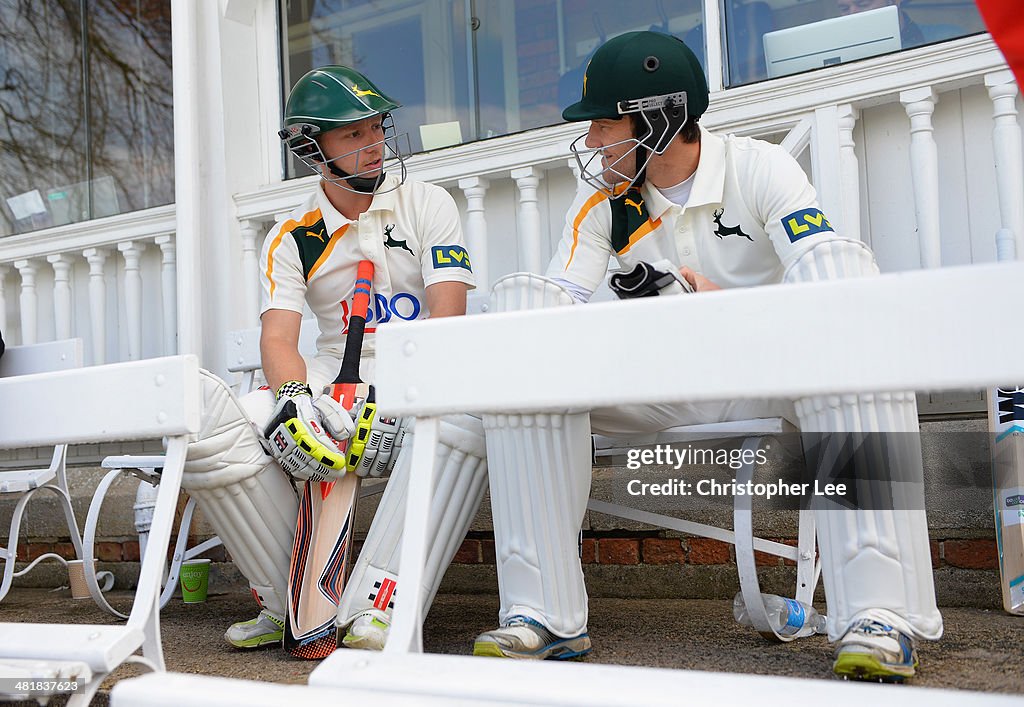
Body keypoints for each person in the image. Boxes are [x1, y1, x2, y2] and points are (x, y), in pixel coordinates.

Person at [472, 31, 942, 682]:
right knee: (530, 326)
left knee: (843, 277)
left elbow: (824, 275)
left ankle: (880, 615)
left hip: (766, 378)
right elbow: (560, 306)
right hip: (662, 383)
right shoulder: (604, 203)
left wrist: (721, 300)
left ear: (658, 119)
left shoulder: (759, 168)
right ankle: (543, 614)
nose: (592, 143)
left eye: (605, 125)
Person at [180, 65, 488, 652]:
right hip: (330, 372)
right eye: (352, 135)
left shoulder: (428, 203)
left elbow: (448, 315)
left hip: (417, 362)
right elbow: (278, 339)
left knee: (465, 420)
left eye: (376, 127)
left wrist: (401, 396)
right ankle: (287, 598)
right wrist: (294, 404)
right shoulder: (291, 235)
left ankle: (379, 602)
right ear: (311, 148)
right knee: (222, 431)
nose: (373, 144)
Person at [836, 0, 962, 47]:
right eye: (844, 9)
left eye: (863, 4)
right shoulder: (841, 52)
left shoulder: (947, 36)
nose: (853, 13)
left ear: (894, 2)